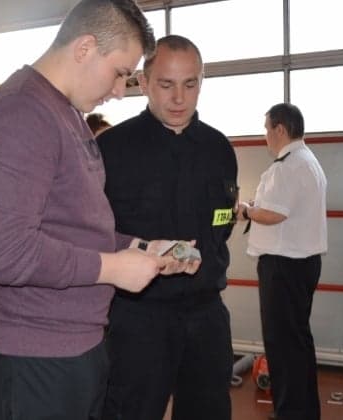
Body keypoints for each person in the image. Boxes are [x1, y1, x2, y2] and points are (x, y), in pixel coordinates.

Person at [0, 1, 192, 419]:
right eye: (119, 72)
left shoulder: (64, 113)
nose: (119, 91)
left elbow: (75, 228)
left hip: (70, 344)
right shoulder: (22, 113)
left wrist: (140, 247)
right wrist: (112, 268)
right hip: (28, 354)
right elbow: (5, 252)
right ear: (85, 48)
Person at [97, 35, 238, 420]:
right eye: (166, 84)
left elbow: (222, 222)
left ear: (201, 83)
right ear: (143, 83)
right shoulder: (112, 150)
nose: (179, 98)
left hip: (206, 315)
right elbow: (92, 233)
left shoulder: (219, 150)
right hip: (138, 318)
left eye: (190, 84)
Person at [237, 103, 327, 420]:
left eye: (266, 129)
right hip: (302, 264)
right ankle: (303, 411)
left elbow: (275, 213)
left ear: (280, 129)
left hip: (284, 266)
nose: (265, 136)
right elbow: (280, 206)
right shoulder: (308, 161)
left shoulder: (287, 166)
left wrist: (246, 210)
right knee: (297, 342)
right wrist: (256, 207)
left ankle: (290, 412)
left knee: (282, 344)